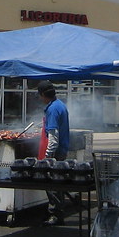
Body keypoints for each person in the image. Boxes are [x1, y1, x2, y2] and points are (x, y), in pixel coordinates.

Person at [37, 80, 70, 225]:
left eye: (40, 95)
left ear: (44, 94)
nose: (40, 98)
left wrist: (47, 156)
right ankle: (58, 212)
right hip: (62, 150)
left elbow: (53, 136)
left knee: (52, 184)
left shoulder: (52, 109)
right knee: (58, 184)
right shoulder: (60, 105)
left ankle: (55, 214)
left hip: (56, 152)